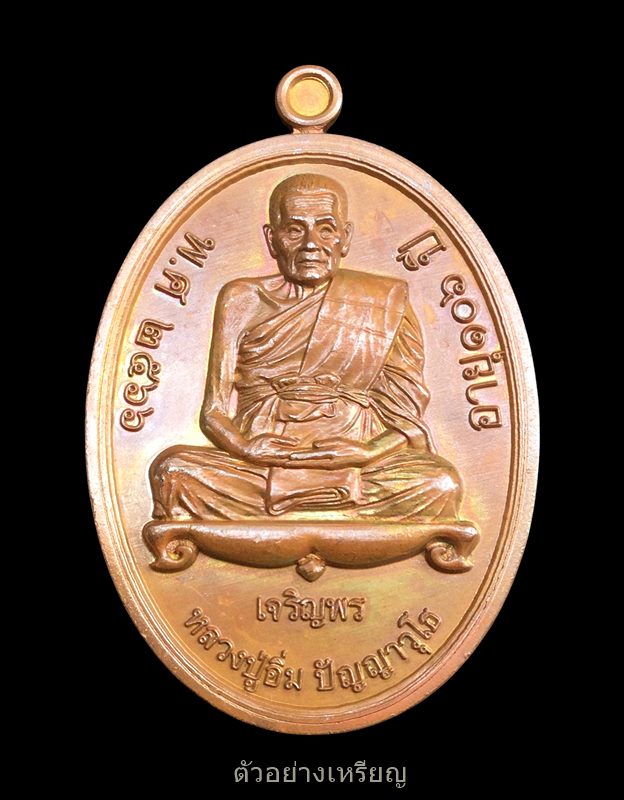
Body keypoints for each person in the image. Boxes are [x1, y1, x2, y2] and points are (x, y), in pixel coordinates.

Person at [149, 173, 462, 521]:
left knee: (439, 483)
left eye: (326, 230)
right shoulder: (242, 298)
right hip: (262, 464)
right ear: (272, 239)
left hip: (355, 463)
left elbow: (406, 416)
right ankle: (318, 504)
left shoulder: (385, 300)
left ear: (345, 237)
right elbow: (213, 412)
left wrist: (367, 452)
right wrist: (246, 448)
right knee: (173, 471)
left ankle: (314, 501)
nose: (311, 244)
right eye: (294, 230)